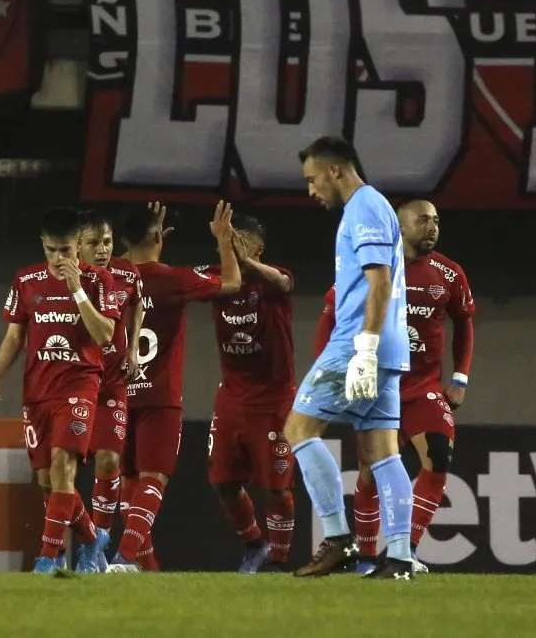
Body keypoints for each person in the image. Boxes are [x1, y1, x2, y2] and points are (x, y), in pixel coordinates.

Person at [315, 199, 475, 574]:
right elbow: (329, 318)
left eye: (436, 220)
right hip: (378, 387)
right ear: (400, 228)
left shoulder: (449, 273)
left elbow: (464, 321)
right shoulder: (369, 267)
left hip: (423, 388)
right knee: (369, 473)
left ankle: (406, 552)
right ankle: (367, 559)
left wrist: (460, 378)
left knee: (439, 458)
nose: (432, 227)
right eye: (423, 220)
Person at [287, 135, 414, 580]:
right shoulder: (371, 206)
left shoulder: (364, 207)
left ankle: (338, 538)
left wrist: (364, 349)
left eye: (312, 179)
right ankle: (400, 558)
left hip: (360, 342)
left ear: (335, 170)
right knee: (383, 451)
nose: (310, 189)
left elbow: (379, 283)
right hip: (388, 346)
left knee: (298, 429)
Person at [106, 201, 242, 573]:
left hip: (117, 394)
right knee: (153, 479)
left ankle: (145, 570)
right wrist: (223, 241)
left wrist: (141, 240)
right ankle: (123, 559)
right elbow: (232, 282)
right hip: (159, 396)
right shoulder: (174, 279)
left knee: (128, 482)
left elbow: (125, 259)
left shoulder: (110, 276)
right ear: (158, 236)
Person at [0, 207, 120, 574]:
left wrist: (76, 290)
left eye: (66, 250)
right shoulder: (26, 280)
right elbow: (15, 335)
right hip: (37, 391)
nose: (59, 258)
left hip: (79, 387)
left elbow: (105, 335)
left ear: (78, 244)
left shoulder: (99, 281)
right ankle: (90, 538)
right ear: (42, 245)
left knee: (63, 467)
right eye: (51, 250)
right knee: (47, 480)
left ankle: (47, 558)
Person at [201, 215, 296, 573]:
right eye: (229, 241)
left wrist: (246, 262)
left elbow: (284, 282)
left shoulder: (272, 280)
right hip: (232, 398)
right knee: (223, 483)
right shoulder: (215, 279)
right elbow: (169, 280)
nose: (235, 247)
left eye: (242, 242)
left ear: (259, 249)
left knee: (277, 488)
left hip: (274, 400)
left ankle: (278, 563)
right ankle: (256, 546)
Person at [76, 210, 143, 571]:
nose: (103, 249)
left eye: (107, 242)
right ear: (77, 245)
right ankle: (65, 544)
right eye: (94, 243)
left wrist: (131, 349)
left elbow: (137, 305)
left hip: (112, 384)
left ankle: (97, 548)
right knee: (58, 471)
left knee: (109, 459)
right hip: (74, 384)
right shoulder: (66, 280)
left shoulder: (126, 274)